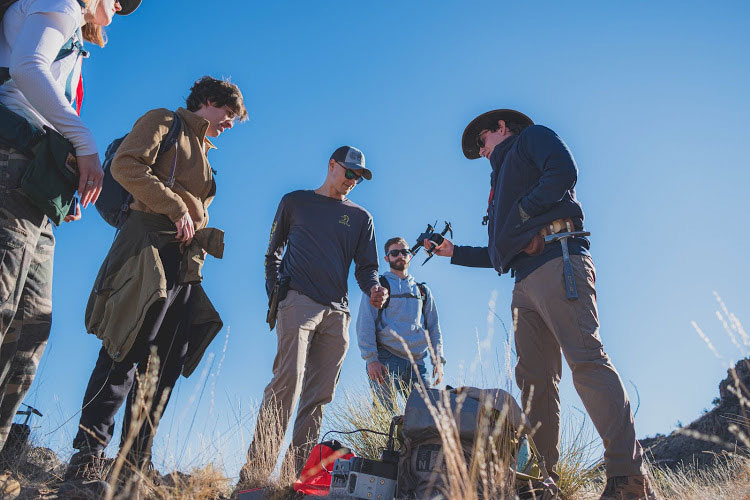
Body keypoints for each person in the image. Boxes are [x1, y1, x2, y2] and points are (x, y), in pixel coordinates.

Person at [428, 109, 659, 500]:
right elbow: (499, 251)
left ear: (501, 128)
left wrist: (521, 212)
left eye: (482, 142)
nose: (482, 152)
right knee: (534, 382)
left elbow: (564, 170)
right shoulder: (499, 180)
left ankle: (627, 477)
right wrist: (454, 253)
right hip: (523, 280)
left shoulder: (532, 139)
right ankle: (541, 484)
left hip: (559, 259)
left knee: (586, 361)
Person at [61, 76, 247, 496]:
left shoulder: (204, 151)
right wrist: (176, 205)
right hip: (146, 247)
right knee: (125, 348)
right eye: (230, 115)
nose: (230, 125)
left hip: (183, 262)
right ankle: (88, 457)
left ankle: (134, 463)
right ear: (211, 101)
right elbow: (125, 165)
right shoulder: (164, 120)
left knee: (164, 364)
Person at [0, 0, 141, 458]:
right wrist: (83, 142)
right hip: (10, 164)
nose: (120, 5)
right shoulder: (60, 1)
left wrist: (66, 176)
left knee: (30, 331)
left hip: (36, 187)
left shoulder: (78, 41)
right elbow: (26, 67)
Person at [240, 146, 388, 481]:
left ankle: (295, 480)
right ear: (332, 165)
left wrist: (376, 288)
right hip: (299, 302)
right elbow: (272, 253)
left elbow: (368, 269)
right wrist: (277, 296)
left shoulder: (362, 218)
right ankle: (254, 477)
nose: (352, 181)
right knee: (286, 382)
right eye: (349, 172)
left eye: (359, 177)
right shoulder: (295, 202)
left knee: (319, 396)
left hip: (338, 313)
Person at [356, 236, 445, 411]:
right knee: (385, 415)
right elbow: (364, 323)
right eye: (394, 253)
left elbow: (434, 327)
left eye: (404, 252)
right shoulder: (379, 287)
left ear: (410, 256)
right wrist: (371, 359)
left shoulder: (422, 290)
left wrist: (438, 360)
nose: (400, 256)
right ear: (387, 258)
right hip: (386, 359)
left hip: (417, 362)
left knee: (427, 416)